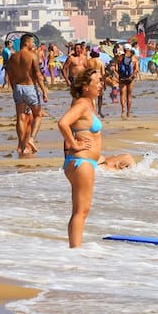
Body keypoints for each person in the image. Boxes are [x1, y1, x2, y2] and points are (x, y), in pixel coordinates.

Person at [58, 67, 104, 248]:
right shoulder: (82, 105)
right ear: (86, 87)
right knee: (81, 211)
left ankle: (75, 248)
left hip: (84, 161)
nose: (101, 85)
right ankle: (75, 250)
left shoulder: (87, 104)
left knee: (81, 210)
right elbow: (63, 123)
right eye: (97, 82)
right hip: (81, 161)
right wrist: (74, 144)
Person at [7, 33, 48, 156]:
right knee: (38, 115)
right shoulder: (32, 56)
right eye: (32, 43)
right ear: (26, 43)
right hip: (30, 87)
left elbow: (10, 75)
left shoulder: (13, 57)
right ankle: (31, 138)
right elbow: (38, 75)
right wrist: (44, 91)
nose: (33, 45)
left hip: (18, 87)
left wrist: (14, 88)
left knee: (20, 117)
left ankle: (22, 146)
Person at [114, 47, 138, 118]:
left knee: (122, 95)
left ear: (124, 50)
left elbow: (116, 69)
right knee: (129, 96)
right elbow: (136, 70)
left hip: (122, 78)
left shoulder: (119, 58)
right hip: (130, 79)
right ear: (130, 50)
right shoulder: (134, 58)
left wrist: (119, 76)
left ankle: (123, 110)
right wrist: (132, 77)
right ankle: (128, 113)